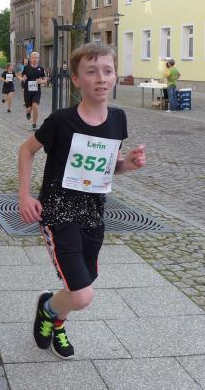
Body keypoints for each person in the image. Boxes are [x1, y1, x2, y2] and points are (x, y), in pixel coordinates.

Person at [17, 43, 147, 359]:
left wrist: (127, 164)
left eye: (107, 71)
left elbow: (107, 168)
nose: (101, 78)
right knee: (82, 294)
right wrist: (24, 196)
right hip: (58, 213)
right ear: (76, 79)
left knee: (80, 283)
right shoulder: (61, 121)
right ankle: (48, 309)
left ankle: (57, 319)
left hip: (93, 215)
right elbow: (26, 150)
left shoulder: (118, 119)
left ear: (115, 76)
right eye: (91, 72)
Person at [18, 52, 47, 130]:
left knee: (35, 106)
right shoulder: (26, 68)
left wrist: (41, 81)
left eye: (36, 57)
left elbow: (45, 80)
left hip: (36, 91)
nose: (35, 59)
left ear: (38, 59)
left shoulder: (41, 69)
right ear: (30, 59)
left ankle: (34, 124)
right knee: (29, 109)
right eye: (33, 57)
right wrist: (22, 78)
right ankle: (28, 113)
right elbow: (19, 75)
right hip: (27, 91)